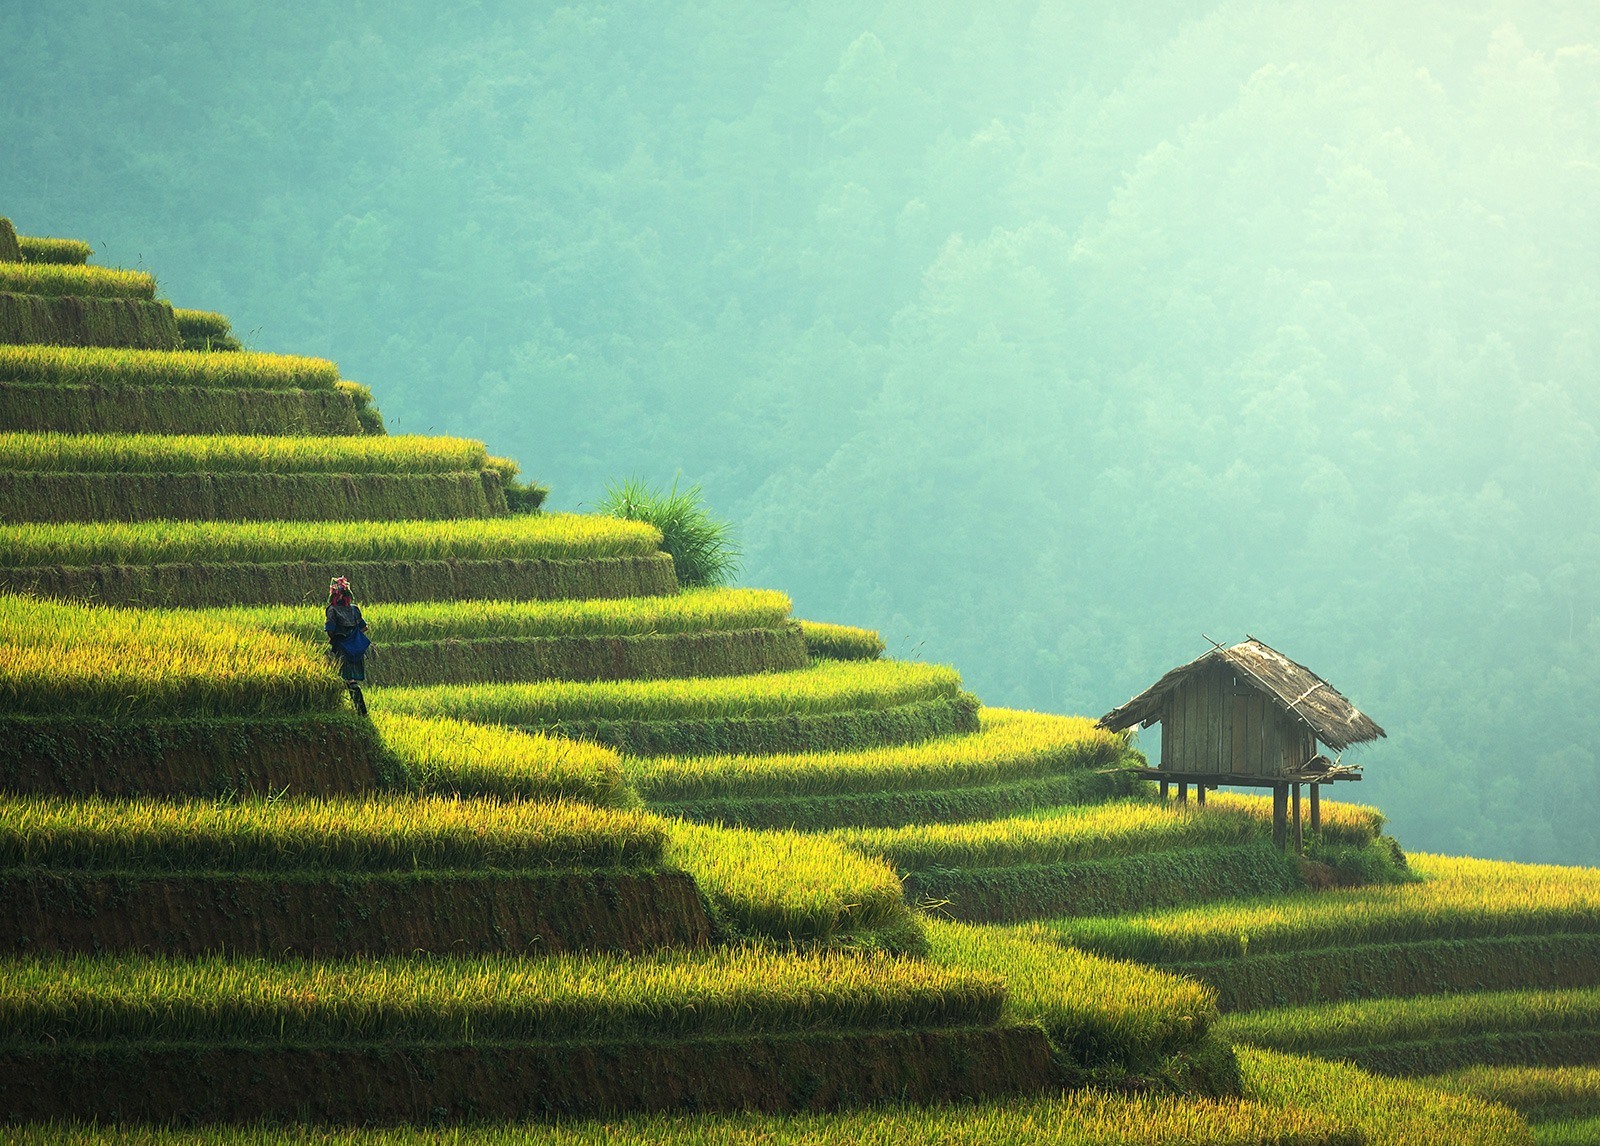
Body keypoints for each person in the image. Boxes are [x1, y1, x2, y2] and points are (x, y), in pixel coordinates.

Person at [324, 575, 370, 716]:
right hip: (356, 647)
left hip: (343, 648)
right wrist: (353, 636)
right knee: (352, 680)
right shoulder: (354, 609)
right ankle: (359, 712)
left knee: (346, 679)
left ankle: (359, 712)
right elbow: (364, 627)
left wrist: (337, 640)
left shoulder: (332, 610)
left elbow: (330, 630)